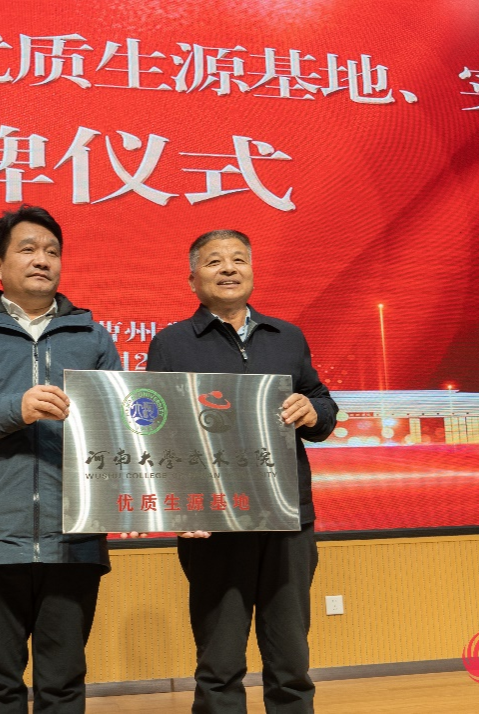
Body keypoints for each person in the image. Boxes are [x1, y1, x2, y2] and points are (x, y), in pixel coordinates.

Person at [0, 205, 121, 713]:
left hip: (74, 541)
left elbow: (119, 431)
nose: (42, 260)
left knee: (64, 684)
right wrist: (17, 408)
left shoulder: (93, 338)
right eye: (28, 249)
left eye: (52, 251)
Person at [146, 229, 338, 713]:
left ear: (252, 271)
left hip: (287, 519)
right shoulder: (171, 343)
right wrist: (177, 506)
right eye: (214, 261)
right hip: (213, 523)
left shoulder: (287, 337)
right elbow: (155, 433)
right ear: (193, 279)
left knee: (291, 660)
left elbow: (322, 403)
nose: (229, 268)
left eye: (238, 259)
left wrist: (313, 411)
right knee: (219, 662)